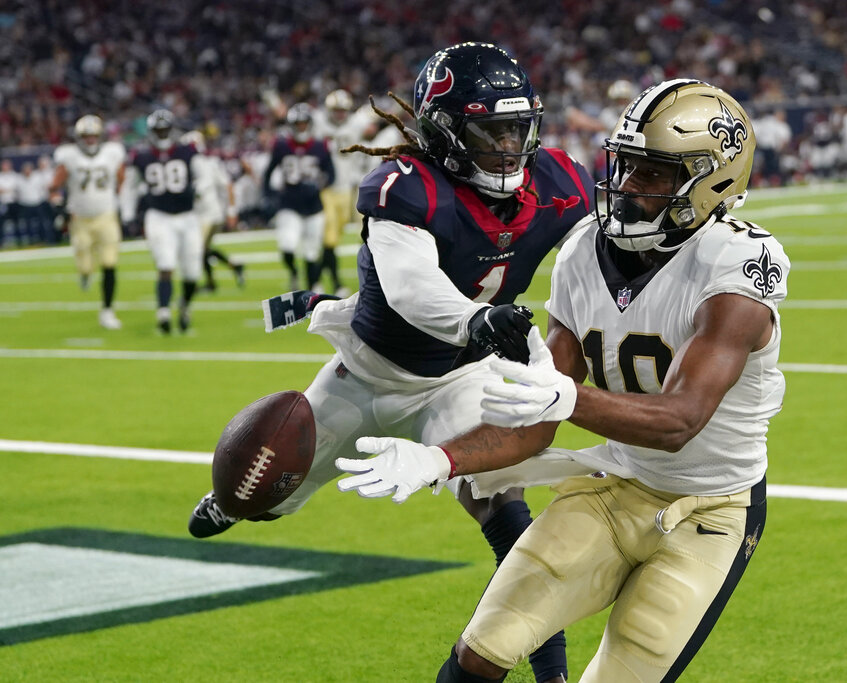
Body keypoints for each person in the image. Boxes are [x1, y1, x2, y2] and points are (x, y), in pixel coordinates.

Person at [335, 79, 789, 681]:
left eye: (651, 174)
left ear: (711, 179)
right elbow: (536, 415)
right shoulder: (582, 252)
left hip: (710, 511)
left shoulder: (738, 263)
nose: (626, 187)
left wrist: (568, 396)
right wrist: (438, 460)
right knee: (482, 649)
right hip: (613, 485)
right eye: (624, 167)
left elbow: (681, 420)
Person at [188, 42, 594, 683]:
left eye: (519, 129)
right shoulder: (407, 189)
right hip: (368, 371)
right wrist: (477, 319)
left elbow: (604, 243)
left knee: (501, 503)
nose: (509, 147)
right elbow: (411, 290)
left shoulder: (560, 182)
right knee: (266, 492)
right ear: (447, 131)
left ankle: (552, 672)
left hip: (459, 375)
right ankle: (230, 500)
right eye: (492, 132)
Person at [129, 109, 207, 334]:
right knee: (165, 264)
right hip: (159, 215)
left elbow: (203, 176)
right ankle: (163, 312)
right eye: (159, 130)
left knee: (192, 272)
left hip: (188, 215)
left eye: (165, 129)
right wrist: (128, 212)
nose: (162, 134)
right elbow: (130, 186)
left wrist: (200, 191)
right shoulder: (142, 155)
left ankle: (184, 306)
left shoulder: (187, 150)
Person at [50, 115, 127, 329]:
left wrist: (120, 199)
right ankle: (85, 274)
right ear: (79, 137)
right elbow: (54, 186)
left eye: (94, 136)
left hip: (106, 215)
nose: (91, 140)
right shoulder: (69, 156)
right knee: (84, 263)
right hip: (80, 219)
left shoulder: (112, 153)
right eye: (87, 136)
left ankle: (107, 310)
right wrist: (60, 207)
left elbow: (122, 178)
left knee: (110, 263)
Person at [264, 102, 335, 291]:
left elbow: (331, 174)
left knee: (311, 252)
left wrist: (321, 185)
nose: (301, 127)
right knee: (287, 245)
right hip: (289, 203)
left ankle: (311, 290)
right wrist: (269, 195)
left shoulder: (320, 146)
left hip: (314, 206)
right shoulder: (281, 145)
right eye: (298, 124)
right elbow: (268, 172)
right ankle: (294, 272)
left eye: (304, 123)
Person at [314, 89, 372, 296]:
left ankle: (319, 279)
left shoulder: (357, 123)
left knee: (350, 235)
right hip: (327, 188)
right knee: (328, 238)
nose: (339, 114)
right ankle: (331, 281)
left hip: (349, 188)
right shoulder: (318, 122)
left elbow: (376, 122)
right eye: (336, 110)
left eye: (343, 110)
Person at [179, 130, 245, 292]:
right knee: (204, 249)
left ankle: (211, 282)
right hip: (205, 214)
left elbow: (227, 185)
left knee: (197, 249)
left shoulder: (207, 163)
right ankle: (233, 265)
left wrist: (231, 210)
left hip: (208, 215)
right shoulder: (198, 163)